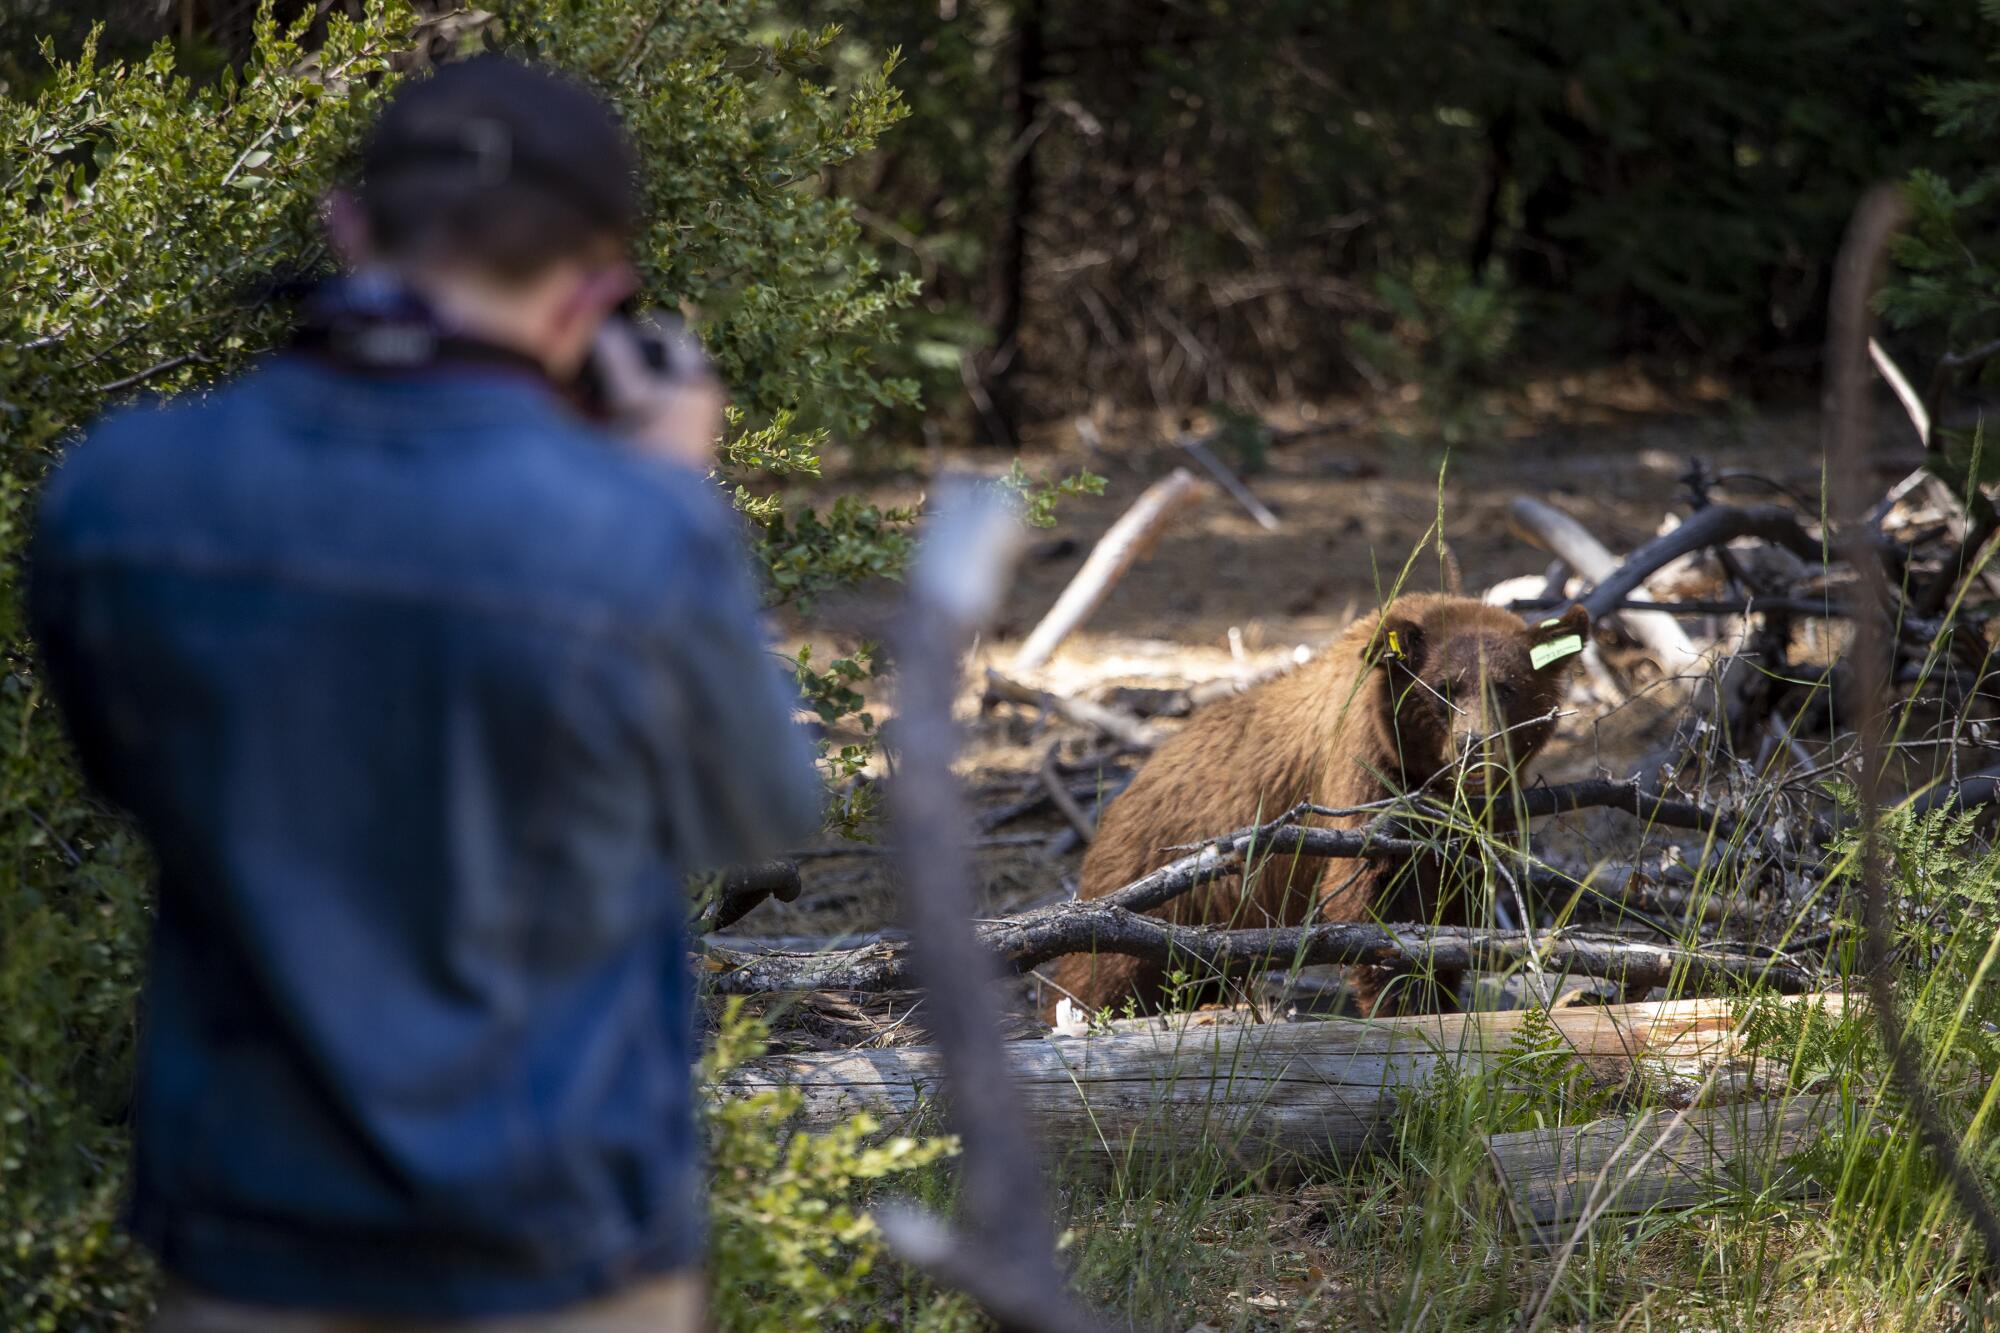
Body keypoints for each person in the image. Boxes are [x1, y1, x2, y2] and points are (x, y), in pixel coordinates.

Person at [28, 56, 824, 1331]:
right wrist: (672, 486)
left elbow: (125, 773)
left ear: (348, 229)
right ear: (598, 295)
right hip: (563, 1239)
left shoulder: (120, 489)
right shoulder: (637, 532)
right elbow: (758, 818)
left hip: (249, 1231)